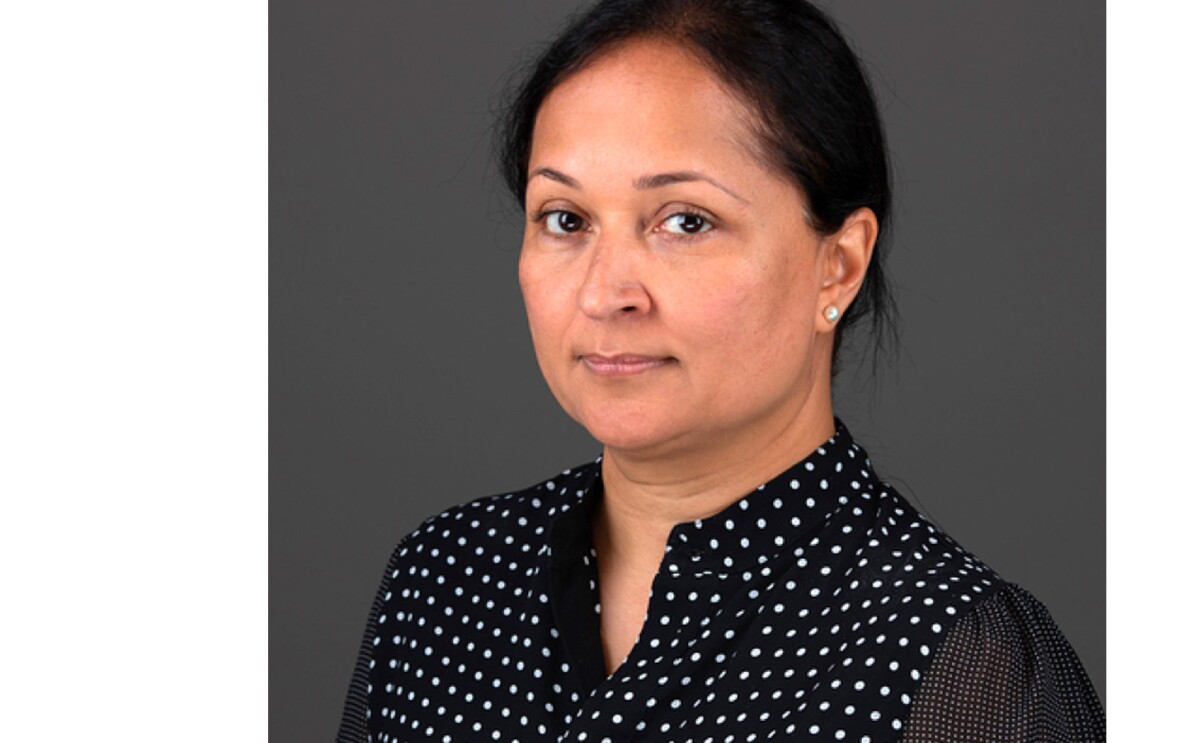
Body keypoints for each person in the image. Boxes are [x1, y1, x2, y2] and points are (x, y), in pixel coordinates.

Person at [337, 0, 1104, 740]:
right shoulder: (444, 581)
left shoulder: (958, 658)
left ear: (838, 266)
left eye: (685, 221)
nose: (605, 293)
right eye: (565, 219)